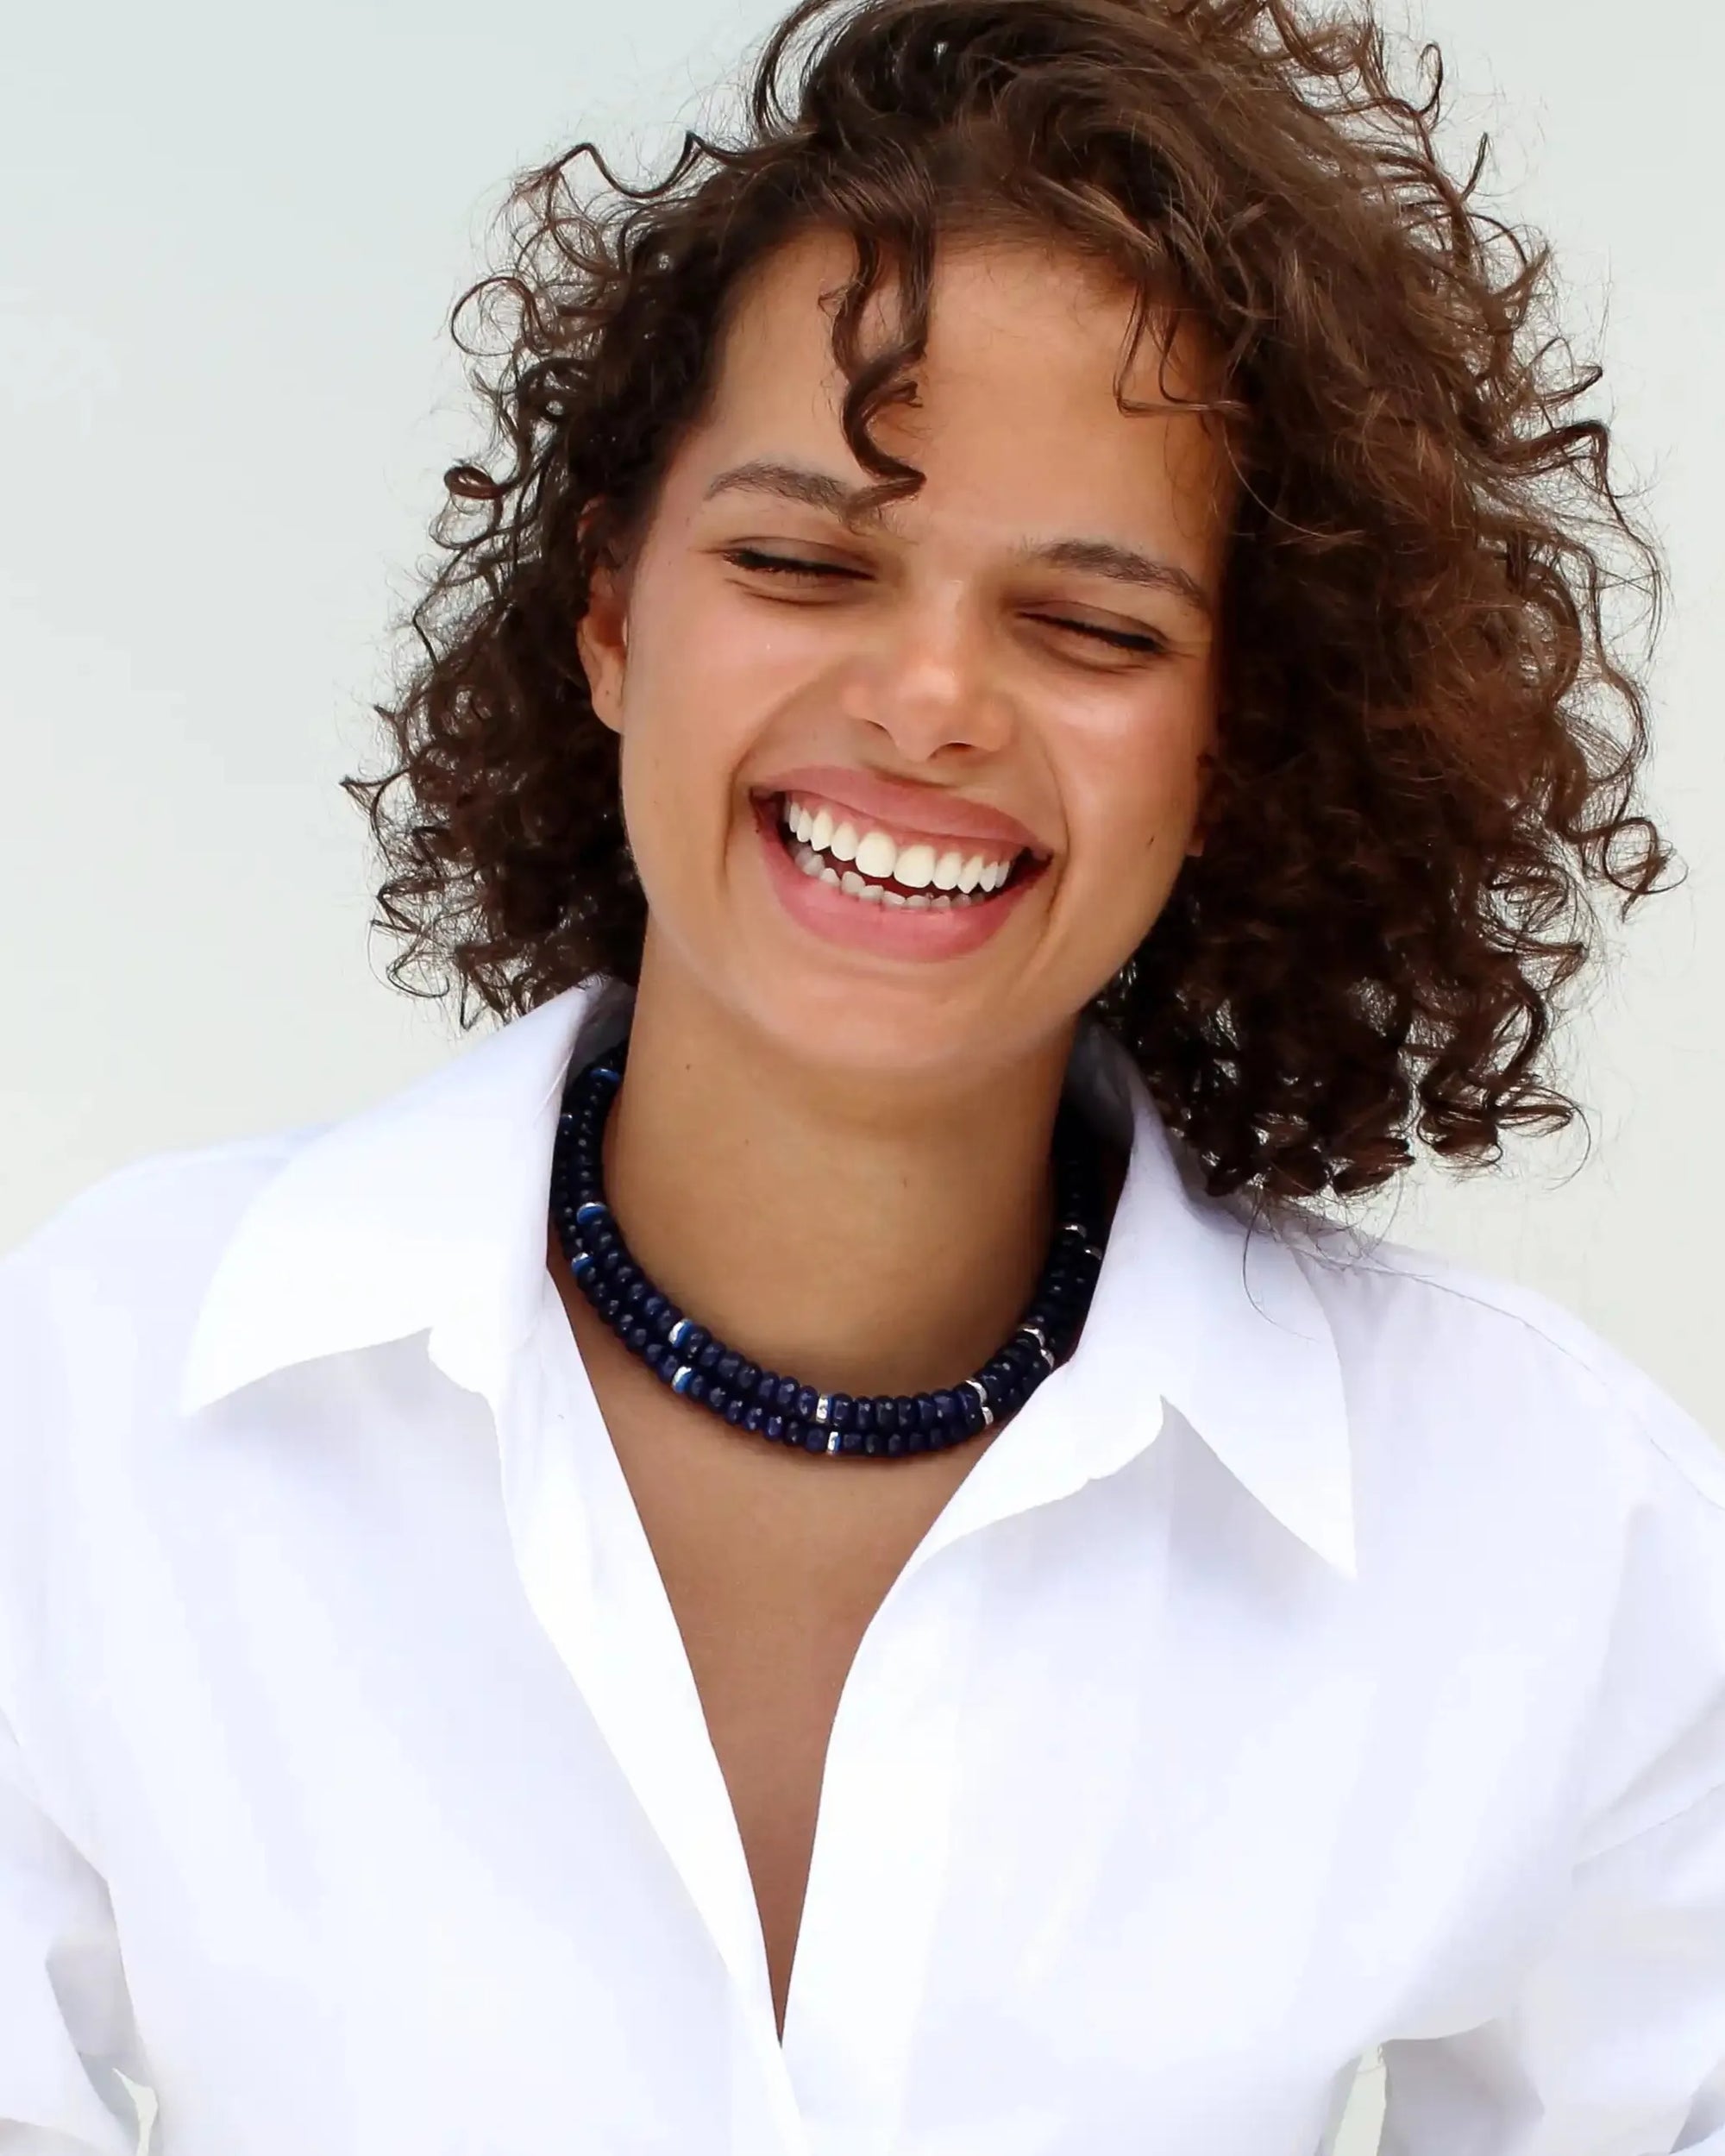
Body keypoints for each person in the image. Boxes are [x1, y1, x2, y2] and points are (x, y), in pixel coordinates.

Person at [3, 0, 1722, 2147]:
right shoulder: (93, 1395)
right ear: (610, 608)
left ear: (1239, 729)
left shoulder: (1553, 1528)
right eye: (802, 561)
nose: (925, 702)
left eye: (1092, 627)